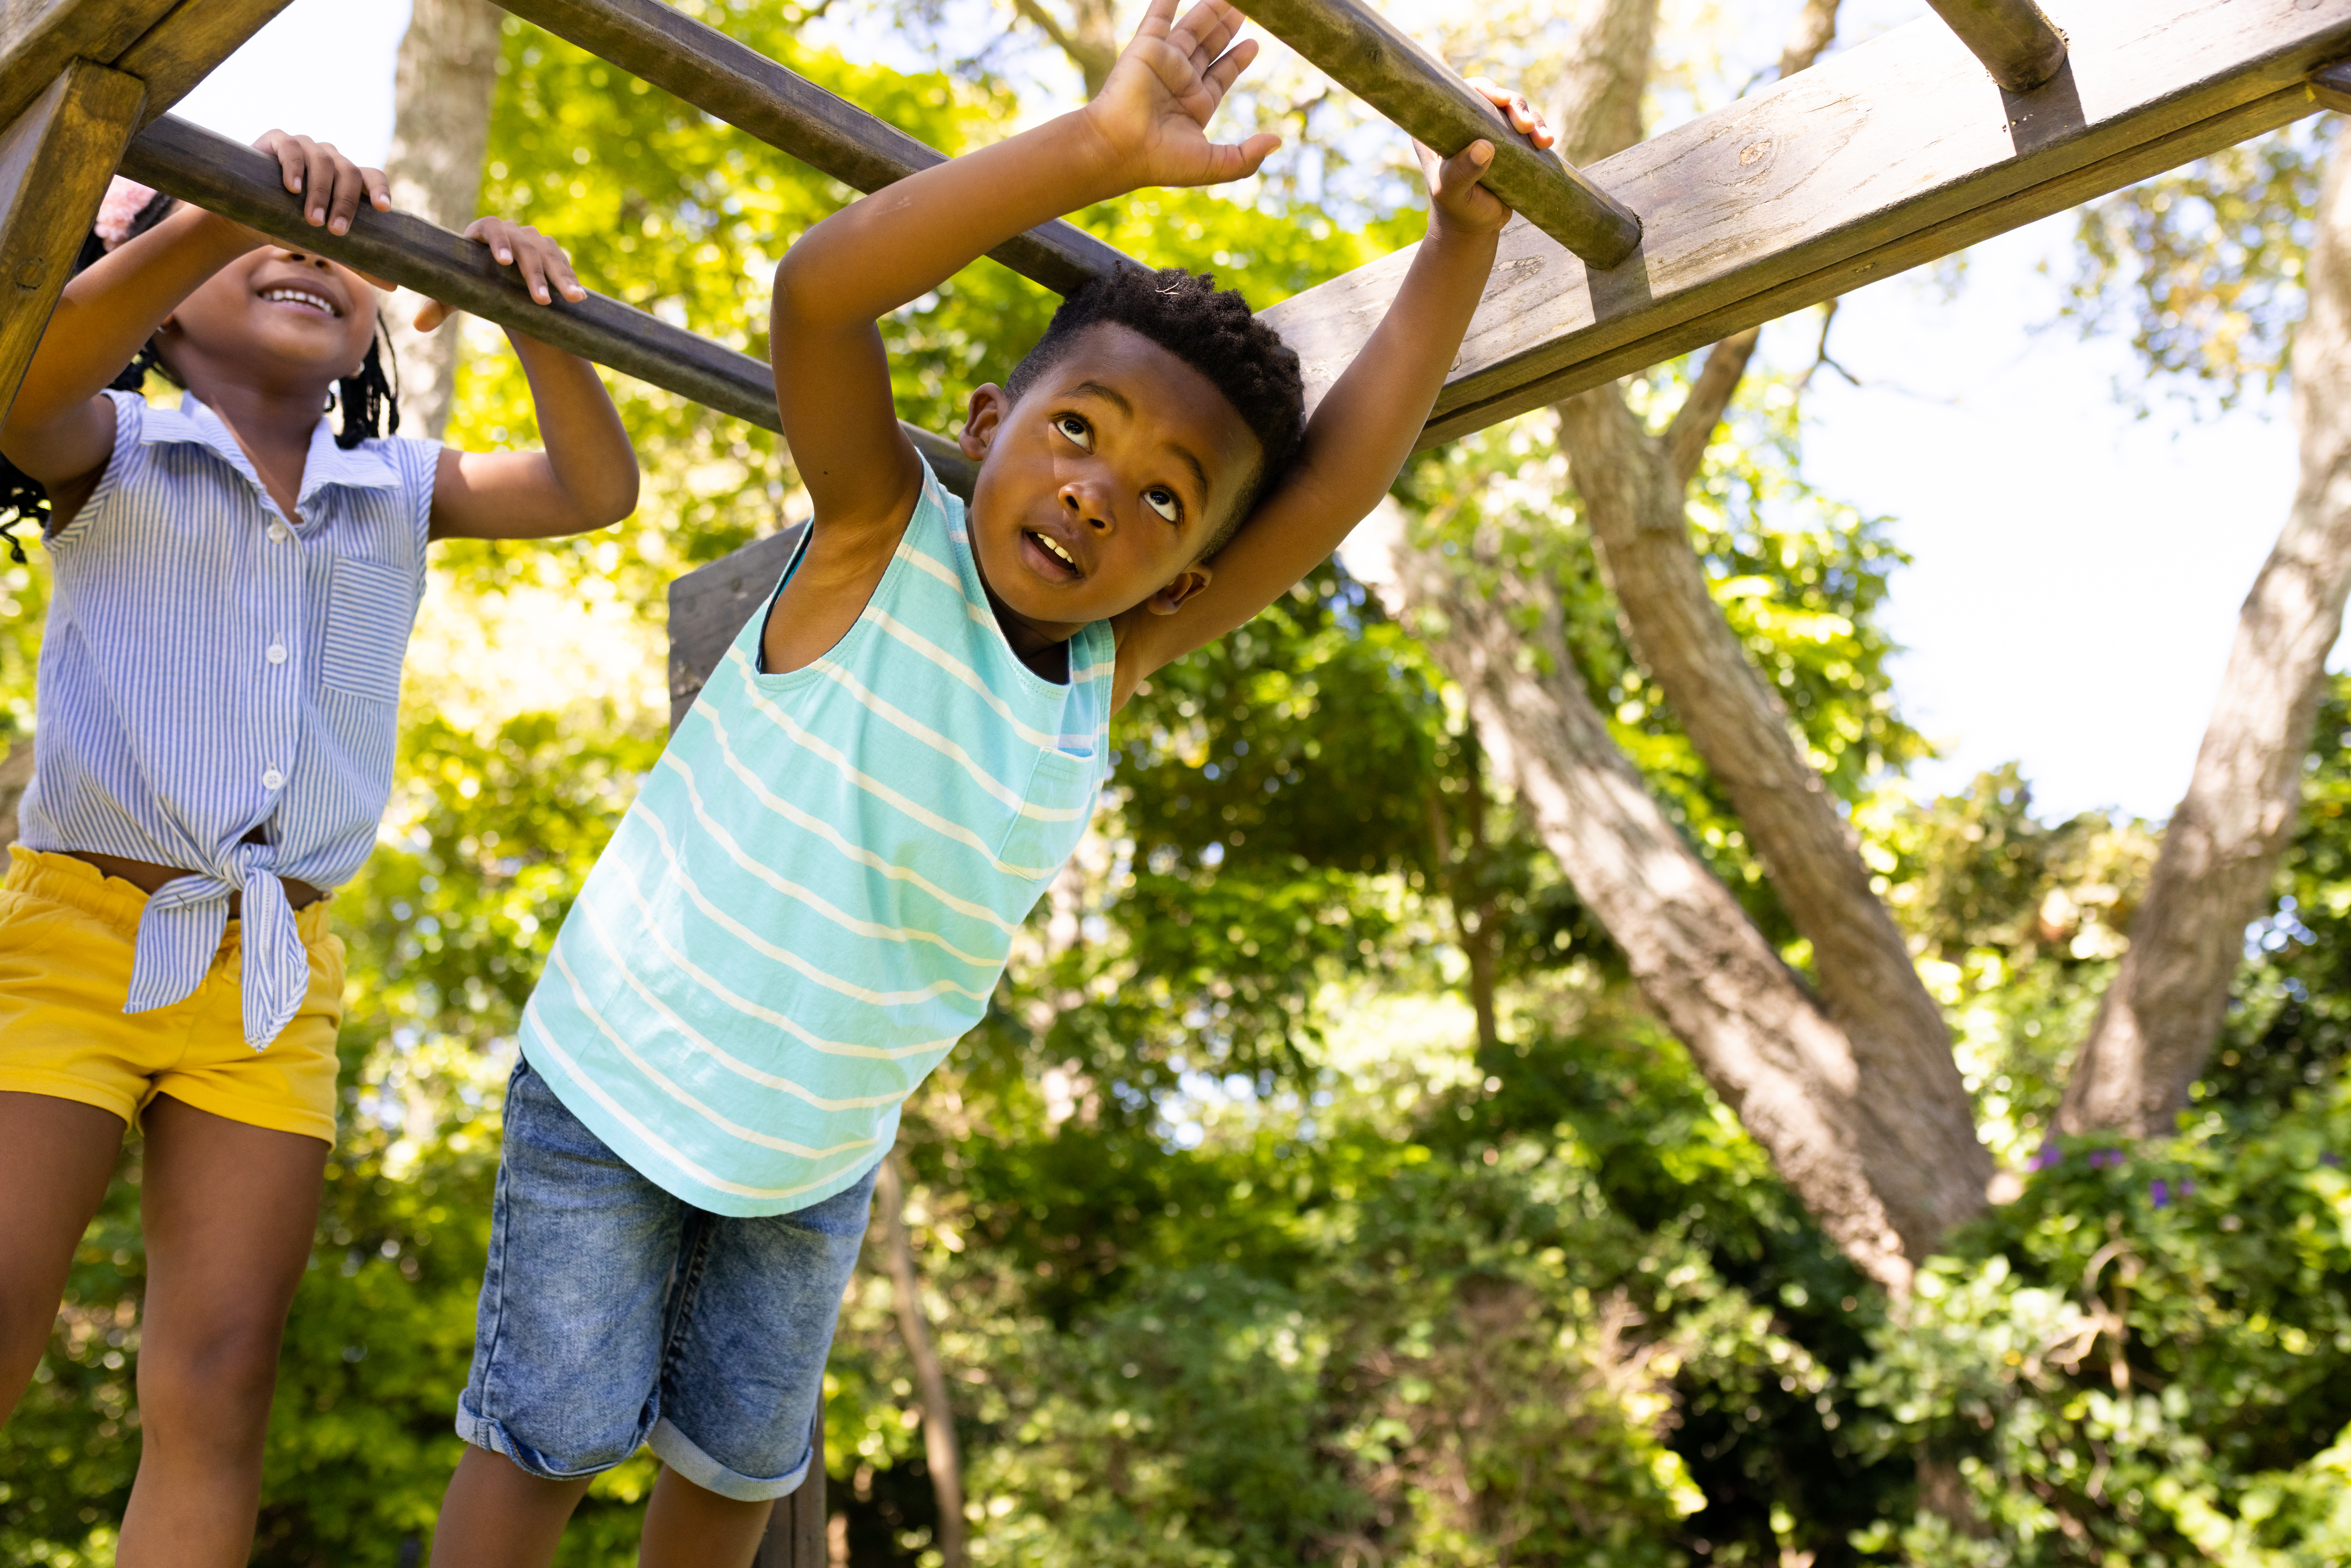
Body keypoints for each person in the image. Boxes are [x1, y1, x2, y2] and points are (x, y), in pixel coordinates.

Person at [428, 3, 1551, 1561]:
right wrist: (1097, 149)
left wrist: (1459, 245)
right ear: (986, 425)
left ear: (1193, 561)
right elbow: (819, 294)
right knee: (543, 1442)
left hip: (811, 1156)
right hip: (622, 1082)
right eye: (1077, 430)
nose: (1102, 493)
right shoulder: (880, 536)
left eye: (1165, 496)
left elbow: (1338, 479)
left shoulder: (1110, 664)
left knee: (735, 1479)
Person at [0, 131, 640, 1567]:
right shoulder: (107, 444)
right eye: (256, 230)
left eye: (348, 243)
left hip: (274, 981)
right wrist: (218, 208)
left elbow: (596, 489)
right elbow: (30, 379)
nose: (305, 249)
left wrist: (547, 326)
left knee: (221, 1379)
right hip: (69, 940)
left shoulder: (402, 486)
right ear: (156, 298)